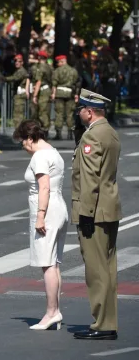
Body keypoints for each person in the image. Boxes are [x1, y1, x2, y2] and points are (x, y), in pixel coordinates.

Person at [72, 89, 121, 341]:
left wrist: (86, 214)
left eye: (81, 109)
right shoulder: (109, 131)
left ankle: (102, 324)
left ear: (89, 112)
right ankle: (108, 322)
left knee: (96, 270)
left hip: (95, 210)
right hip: (109, 207)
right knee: (108, 269)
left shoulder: (92, 136)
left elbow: (90, 178)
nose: (78, 113)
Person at [14, 119, 68, 331]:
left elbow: (43, 187)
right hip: (59, 206)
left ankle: (51, 312)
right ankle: (55, 311)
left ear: (30, 138)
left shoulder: (40, 156)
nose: (23, 145)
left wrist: (40, 216)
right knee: (54, 264)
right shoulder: (54, 152)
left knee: (47, 264)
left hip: (47, 210)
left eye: (22, 141)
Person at [51, 54, 79, 140]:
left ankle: (58, 133)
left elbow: (54, 84)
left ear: (62, 61)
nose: (58, 64)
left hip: (59, 93)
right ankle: (70, 133)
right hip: (70, 93)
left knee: (59, 113)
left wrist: (53, 94)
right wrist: (76, 94)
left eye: (58, 62)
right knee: (70, 114)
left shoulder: (57, 71)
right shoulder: (73, 71)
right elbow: (77, 84)